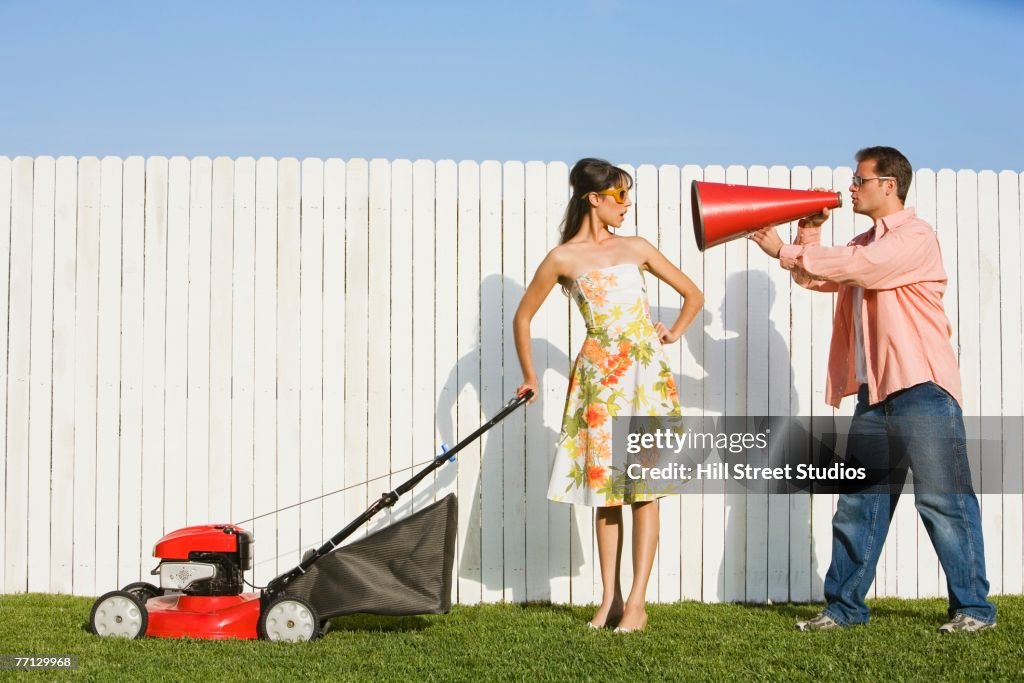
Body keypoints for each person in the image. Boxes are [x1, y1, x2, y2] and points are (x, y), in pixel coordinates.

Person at [749, 145, 996, 633]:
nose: (851, 187)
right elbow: (817, 277)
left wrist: (785, 249)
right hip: (875, 394)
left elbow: (860, 268)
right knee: (859, 502)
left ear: (890, 184)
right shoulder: (863, 242)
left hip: (922, 387)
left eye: (860, 180)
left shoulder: (914, 237)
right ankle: (843, 609)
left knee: (944, 501)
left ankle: (974, 610)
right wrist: (810, 230)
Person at [513, 158, 704, 632]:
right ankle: (610, 600)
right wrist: (531, 376)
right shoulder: (562, 259)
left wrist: (672, 332)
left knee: (645, 491)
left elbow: (692, 294)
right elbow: (522, 319)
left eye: (627, 195)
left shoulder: (637, 247)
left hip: (645, 376)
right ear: (593, 198)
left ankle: (637, 602)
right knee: (606, 493)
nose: (627, 204)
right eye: (620, 195)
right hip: (598, 377)